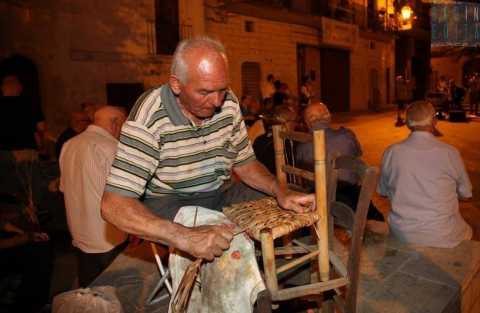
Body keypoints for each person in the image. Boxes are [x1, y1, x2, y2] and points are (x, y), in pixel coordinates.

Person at [100, 37, 314, 312]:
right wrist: (182, 237)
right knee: (229, 248)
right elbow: (112, 204)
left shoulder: (228, 103)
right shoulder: (149, 117)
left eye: (222, 90)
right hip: (170, 201)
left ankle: (287, 294)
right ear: (176, 84)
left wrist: (279, 190)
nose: (216, 102)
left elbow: (246, 165)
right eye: (204, 92)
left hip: (218, 191)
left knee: (295, 212)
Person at [378, 101, 472, 248]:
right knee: (467, 230)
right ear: (434, 122)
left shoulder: (391, 152)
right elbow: (466, 194)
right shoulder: (449, 153)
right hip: (442, 234)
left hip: (402, 232)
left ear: (408, 124)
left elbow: (383, 192)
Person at [60, 106, 128, 287]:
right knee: (114, 293)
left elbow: (64, 188)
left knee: (90, 292)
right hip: (108, 237)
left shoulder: (69, 144)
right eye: (124, 125)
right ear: (115, 124)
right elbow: (124, 196)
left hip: (80, 233)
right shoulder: (113, 147)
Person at [296, 102, 384, 221]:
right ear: (328, 116)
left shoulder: (301, 146)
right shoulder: (346, 136)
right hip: (349, 195)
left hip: (315, 198)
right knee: (378, 220)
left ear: (307, 123)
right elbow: (357, 155)